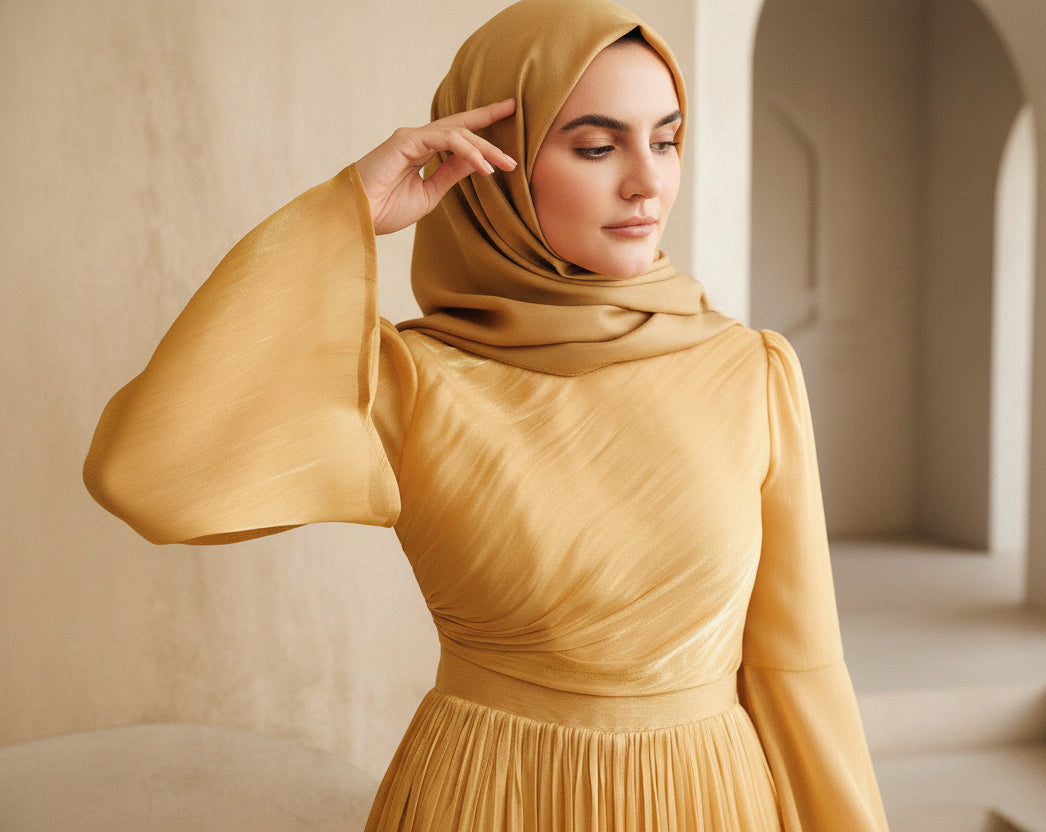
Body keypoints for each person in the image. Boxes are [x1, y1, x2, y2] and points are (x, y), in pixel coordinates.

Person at [83, 0, 889, 829]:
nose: (647, 180)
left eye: (667, 139)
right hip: (486, 798)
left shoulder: (750, 371)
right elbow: (145, 474)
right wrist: (347, 213)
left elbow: (801, 668)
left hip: (708, 800)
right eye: (597, 146)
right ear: (494, 166)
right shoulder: (412, 380)